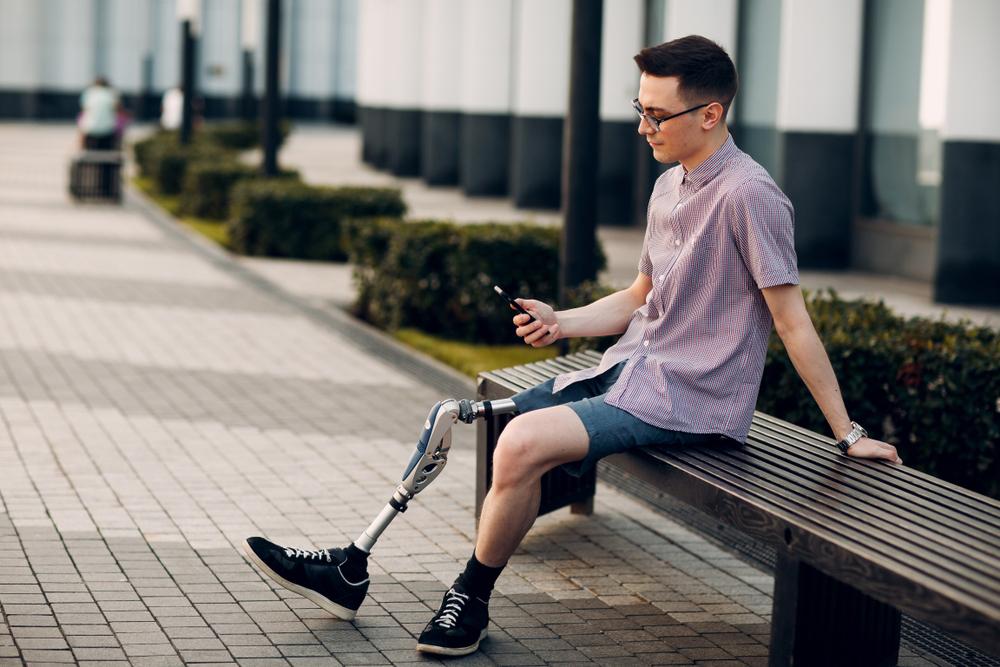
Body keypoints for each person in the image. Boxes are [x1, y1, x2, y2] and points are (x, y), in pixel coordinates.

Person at [242, 35, 903, 657]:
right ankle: (351, 563)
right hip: (634, 372)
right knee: (457, 415)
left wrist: (847, 433)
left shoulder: (752, 197)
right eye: (638, 109)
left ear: (711, 114)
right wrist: (560, 322)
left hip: (692, 399)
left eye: (655, 114)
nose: (643, 127)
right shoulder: (669, 184)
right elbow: (641, 296)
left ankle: (468, 598)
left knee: (522, 443)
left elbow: (792, 321)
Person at [77, 77, 120, 150]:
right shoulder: (112, 93)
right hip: (108, 130)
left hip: (90, 130)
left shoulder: (89, 93)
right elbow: (117, 109)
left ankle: (81, 150)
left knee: (82, 123)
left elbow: (84, 109)